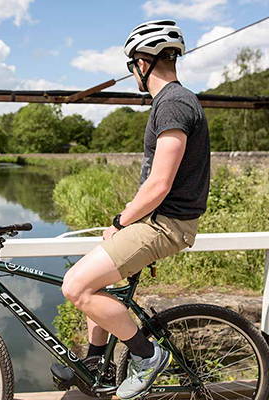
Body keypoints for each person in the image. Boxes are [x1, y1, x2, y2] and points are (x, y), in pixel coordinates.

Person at [61, 19, 210, 399]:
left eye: (132, 67)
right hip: (158, 220)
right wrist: (124, 223)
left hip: (165, 224)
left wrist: (120, 220)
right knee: (97, 281)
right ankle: (95, 363)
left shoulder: (173, 103)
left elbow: (159, 184)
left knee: (75, 286)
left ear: (143, 63)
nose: (133, 76)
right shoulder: (175, 101)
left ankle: (147, 356)